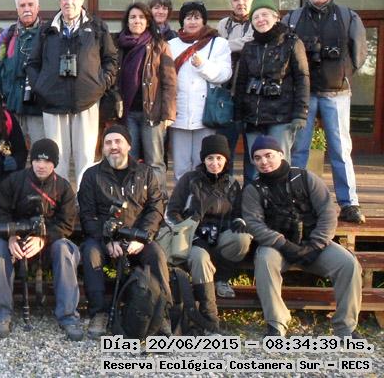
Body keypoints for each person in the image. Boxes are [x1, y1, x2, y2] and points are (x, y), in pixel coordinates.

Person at [242, 135, 362, 338]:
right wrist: (283, 244)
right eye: (258, 158)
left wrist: (315, 244)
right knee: (264, 261)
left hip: (313, 244)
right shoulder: (253, 190)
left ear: (281, 154)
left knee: (348, 264)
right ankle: (276, 324)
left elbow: (327, 213)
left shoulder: (306, 178)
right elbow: (254, 224)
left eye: (269, 155)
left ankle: (346, 327)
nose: (264, 161)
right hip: (278, 247)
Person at [284, 0, 368, 224]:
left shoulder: (348, 16)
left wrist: (342, 73)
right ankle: (295, 200)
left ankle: (349, 203)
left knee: (341, 150)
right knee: (298, 149)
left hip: (337, 92)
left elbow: (359, 52)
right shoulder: (293, 18)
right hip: (304, 94)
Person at [78, 124, 169, 339]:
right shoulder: (91, 175)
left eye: (118, 141)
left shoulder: (146, 173)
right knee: (91, 253)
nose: (113, 146)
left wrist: (142, 238)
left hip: (137, 238)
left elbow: (156, 208)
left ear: (129, 145)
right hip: (103, 238)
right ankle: (99, 313)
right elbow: (87, 214)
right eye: (108, 143)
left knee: (156, 255)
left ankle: (161, 314)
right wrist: (107, 240)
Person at [25, 0, 118, 185]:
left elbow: (111, 59)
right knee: (57, 158)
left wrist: (102, 84)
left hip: (87, 101)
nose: (69, 2)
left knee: (86, 157)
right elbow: (32, 63)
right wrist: (40, 87)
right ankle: (60, 199)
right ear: (60, 2)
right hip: (52, 103)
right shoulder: (47, 29)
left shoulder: (97, 27)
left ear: (82, 0)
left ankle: (85, 199)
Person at [0, 139, 82, 340]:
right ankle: (1, 314)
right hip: (16, 240)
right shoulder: (14, 181)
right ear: (31, 161)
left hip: (48, 243)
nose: (41, 165)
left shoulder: (63, 187)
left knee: (64, 249)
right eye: (37, 160)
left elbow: (66, 224)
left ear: (54, 163)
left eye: (47, 161)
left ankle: (68, 316)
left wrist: (44, 239)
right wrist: (10, 236)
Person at [165, 134, 252, 327]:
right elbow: (172, 212)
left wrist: (239, 221)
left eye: (219, 158)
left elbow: (238, 211)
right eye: (210, 158)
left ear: (226, 160)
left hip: (220, 235)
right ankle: (209, 316)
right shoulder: (189, 180)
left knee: (242, 239)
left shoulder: (232, 183)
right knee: (200, 258)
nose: (215, 163)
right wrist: (191, 234)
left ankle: (221, 279)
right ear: (203, 160)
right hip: (193, 237)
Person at [235, 0, 309, 178]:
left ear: (276, 16)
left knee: (278, 166)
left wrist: (300, 113)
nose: (260, 19)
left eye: (265, 14)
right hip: (253, 117)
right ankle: (254, 197)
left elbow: (302, 78)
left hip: (281, 117)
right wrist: (238, 114)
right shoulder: (249, 47)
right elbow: (241, 82)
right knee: (256, 166)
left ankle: (281, 197)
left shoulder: (292, 43)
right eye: (256, 17)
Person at [112, 1, 176, 190]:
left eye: (141, 17)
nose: (137, 21)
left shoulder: (159, 45)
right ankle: (131, 199)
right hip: (127, 113)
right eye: (133, 17)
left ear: (148, 21)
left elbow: (169, 82)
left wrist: (168, 113)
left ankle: (158, 201)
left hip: (153, 114)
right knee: (129, 159)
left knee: (154, 161)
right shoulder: (118, 45)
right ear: (127, 21)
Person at [168, 1, 232, 180]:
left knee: (202, 162)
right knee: (180, 166)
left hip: (206, 114)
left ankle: (201, 197)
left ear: (204, 20)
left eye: (197, 17)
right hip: (179, 114)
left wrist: (203, 65)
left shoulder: (218, 43)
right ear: (182, 21)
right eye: (188, 17)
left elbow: (225, 74)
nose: (192, 21)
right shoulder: (171, 44)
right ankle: (182, 196)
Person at [0, 0, 45, 146]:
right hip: (12, 103)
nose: (26, 9)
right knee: (12, 150)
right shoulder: (7, 35)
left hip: (38, 106)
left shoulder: (47, 33)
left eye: (30, 4)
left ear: (38, 8)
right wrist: (0, 95)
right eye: (22, 5)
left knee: (40, 150)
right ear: (17, 10)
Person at [216, 0, 256, 179]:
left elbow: (249, 43)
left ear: (253, 0)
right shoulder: (223, 24)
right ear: (231, 2)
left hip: (252, 96)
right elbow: (216, 50)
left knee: (252, 152)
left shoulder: (258, 20)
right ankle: (226, 190)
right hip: (227, 96)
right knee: (225, 150)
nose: (241, 2)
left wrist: (224, 45)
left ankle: (251, 192)